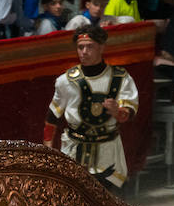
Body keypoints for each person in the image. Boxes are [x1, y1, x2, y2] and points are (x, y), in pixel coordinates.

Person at [45, 24, 139, 188]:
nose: (84, 52)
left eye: (90, 47)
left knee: (109, 199)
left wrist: (117, 112)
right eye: (80, 47)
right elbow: (52, 118)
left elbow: (129, 114)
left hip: (108, 153)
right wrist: (48, 152)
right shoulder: (65, 81)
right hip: (73, 151)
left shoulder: (121, 78)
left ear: (101, 47)